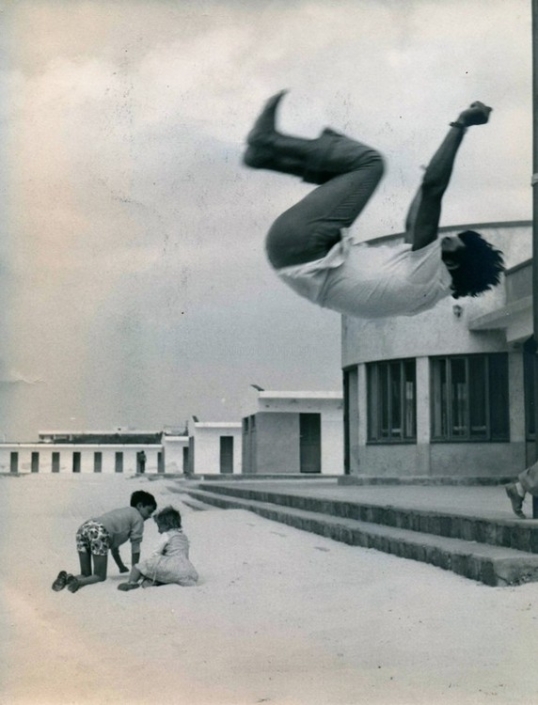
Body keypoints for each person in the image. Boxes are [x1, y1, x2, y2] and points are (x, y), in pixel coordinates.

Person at [242, 91, 505, 318]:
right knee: (349, 173)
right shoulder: (425, 292)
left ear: (455, 264)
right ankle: (263, 156)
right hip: (291, 255)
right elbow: (414, 222)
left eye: (450, 241)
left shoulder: (425, 274)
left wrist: (460, 124)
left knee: (370, 163)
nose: (443, 237)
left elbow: (433, 189)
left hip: (304, 244)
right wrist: (430, 179)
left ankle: (267, 142)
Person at [51, 490, 157, 593]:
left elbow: (114, 547)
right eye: (149, 511)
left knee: (86, 574)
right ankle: (78, 582)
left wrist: (121, 566)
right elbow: (135, 547)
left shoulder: (123, 513)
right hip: (99, 531)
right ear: (139, 505)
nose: (149, 516)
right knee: (100, 576)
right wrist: (136, 570)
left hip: (84, 527)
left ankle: (66, 577)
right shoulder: (138, 518)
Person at [117, 505, 198, 591]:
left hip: (171, 567)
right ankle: (155, 581)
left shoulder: (166, 535)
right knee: (168, 574)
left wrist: (152, 565)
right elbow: (183, 555)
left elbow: (156, 552)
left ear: (167, 525)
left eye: (159, 527)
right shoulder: (183, 537)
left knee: (139, 567)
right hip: (186, 570)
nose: (158, 531)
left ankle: (132, 582)